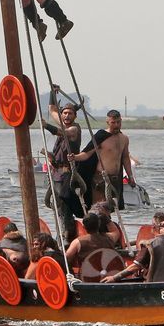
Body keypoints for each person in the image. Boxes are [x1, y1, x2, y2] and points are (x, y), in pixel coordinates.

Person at [43, 93, 87, 246]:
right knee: (57, 206)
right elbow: (52, 109)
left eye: (70, 113)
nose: (67, 115)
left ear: (75, 116)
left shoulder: (74, 129)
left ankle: (67, 237)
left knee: (64, 201)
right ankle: (61, 235)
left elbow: (63, 132)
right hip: (55, 173)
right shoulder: (62, 122)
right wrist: (52, 93)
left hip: (68, 172)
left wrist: (47, 126)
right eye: (65, 113)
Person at [76, 110, 135, 211]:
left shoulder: (124, 138)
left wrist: (130, 176)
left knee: (112, 209)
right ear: (108, 122)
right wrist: (74, 157)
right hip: (101, 179)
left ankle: (109, 225)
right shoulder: (100, 136)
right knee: (99, 208)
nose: (116, 125)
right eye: (113, 122)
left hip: (116, 179)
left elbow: (125, 158)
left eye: (118, 122)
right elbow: (86, 154)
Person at [104, 211, 164, 283]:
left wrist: (114, 278)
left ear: (153, 227)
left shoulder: (150, 245)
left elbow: (135, 267)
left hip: (155, 286)